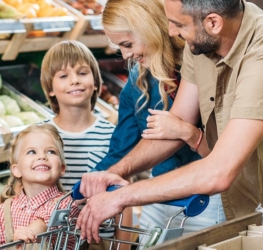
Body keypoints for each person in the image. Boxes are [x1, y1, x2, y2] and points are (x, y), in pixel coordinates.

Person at [77, 0, 263, 243]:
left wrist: (121, 196)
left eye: (178, 24)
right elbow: (178, 120)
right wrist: (117, 171)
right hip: (255, 205)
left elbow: (218, 171)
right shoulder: (204, 39)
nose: (170, 32)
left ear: (213, 23)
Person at [97, 0, 226, 235]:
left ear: (149, 29)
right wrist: (92, 184)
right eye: (119, 48)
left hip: (206, 199)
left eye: (128, 44)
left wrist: (188, 133)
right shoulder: (136, 84)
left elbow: (226, 156)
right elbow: (119, 151)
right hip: (157, 195)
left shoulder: (201, 64)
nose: (126, 55)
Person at [39, 40, 115, 191]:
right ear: (50, 89)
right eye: (63, 76)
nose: (75, 81)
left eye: (82, 73)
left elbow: (122, 194)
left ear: (95, 82)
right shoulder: (38, 135)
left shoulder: (112, 136)